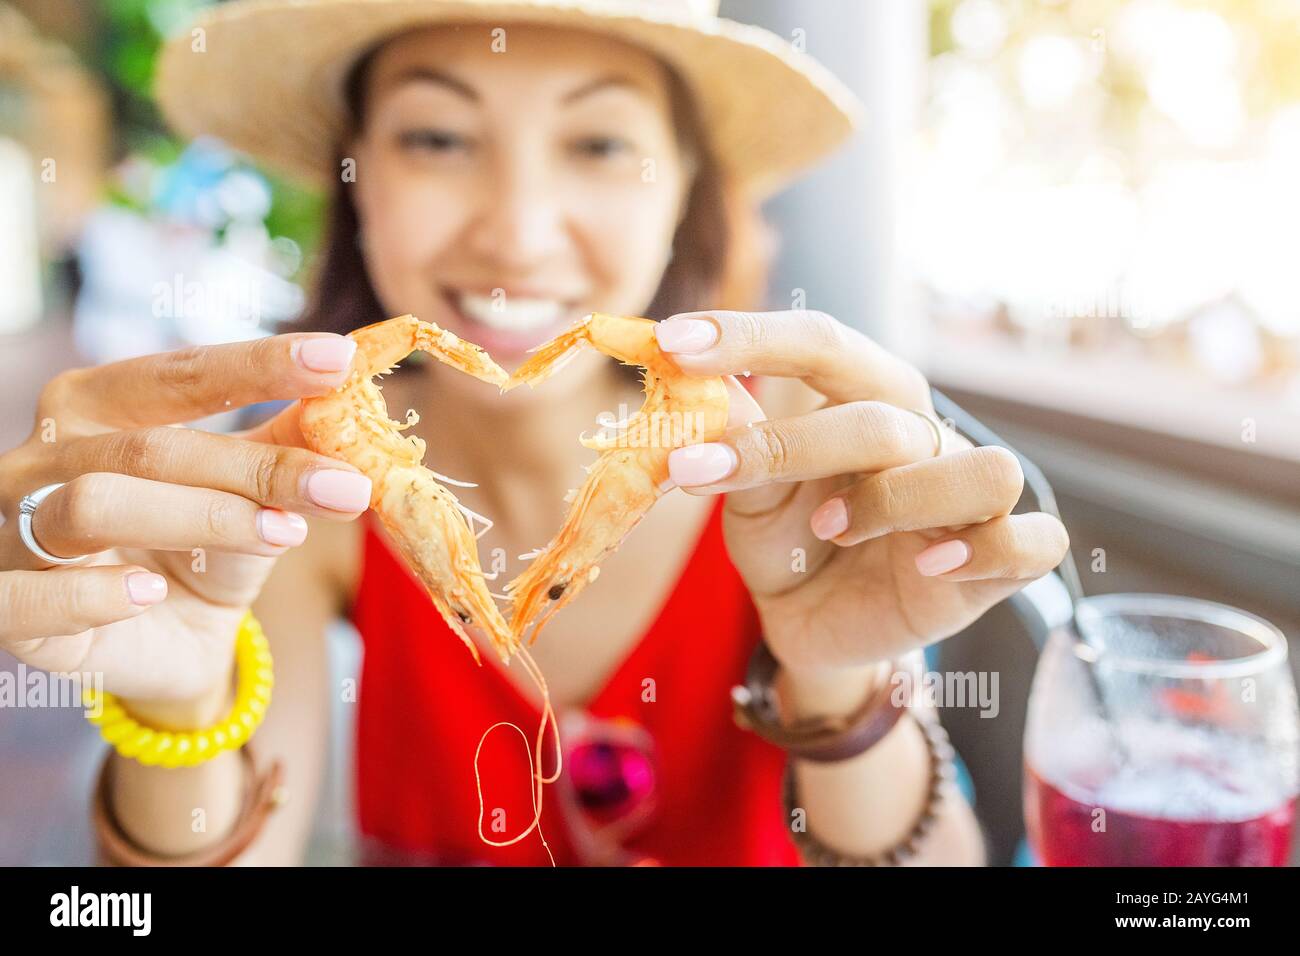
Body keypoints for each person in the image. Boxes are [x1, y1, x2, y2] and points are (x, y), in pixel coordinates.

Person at [0, 0, 1068, 866]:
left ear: (684, 187)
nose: (514, 230)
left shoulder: (798, 463)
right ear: (357, 174)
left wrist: (845, 683)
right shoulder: (305, 484)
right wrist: (180, 697)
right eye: (437, 137)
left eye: (599, 142)